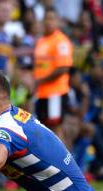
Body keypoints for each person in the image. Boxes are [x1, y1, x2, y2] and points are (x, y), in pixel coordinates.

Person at [33, 7, 73, 142]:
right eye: (46, 19)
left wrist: (40, 80)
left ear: (58, 21)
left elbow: (63, 68)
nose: (48, 22)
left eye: (52, 18)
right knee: (45, 128)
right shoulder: (41, 41)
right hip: (42, 93)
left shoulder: (61, 41)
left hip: (55, 92)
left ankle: (64, 161)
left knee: (56, 127)